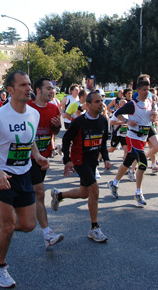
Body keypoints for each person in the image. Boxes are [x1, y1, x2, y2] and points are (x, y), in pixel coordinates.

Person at [0, 71, 49, 288]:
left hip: (24, 174)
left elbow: (29, 139)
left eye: (28, 85)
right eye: (22, 85)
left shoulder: (33, 114)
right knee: (9, 225)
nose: (28, 89)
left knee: (27, 225)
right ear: (10, 90)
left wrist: (37, 155)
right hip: (3, 176)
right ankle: (0, 268)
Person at [50, 90, 111, 241]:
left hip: (92, 161)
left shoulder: (103, 121)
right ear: (88, 105)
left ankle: (59, 195)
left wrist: (107, 159)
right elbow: (66, 140)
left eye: (101, 101)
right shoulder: (79, 122)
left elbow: (102, 143)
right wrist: (67, 160)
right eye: (97, 101)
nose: (101, 104)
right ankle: (94, 228)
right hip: (79, 160)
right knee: (94, 191)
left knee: (85, 193)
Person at [27, 77, 63, 247]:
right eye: (48, 88)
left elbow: (55, 130)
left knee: (30, 195)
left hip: (44, 156)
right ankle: (47, 233)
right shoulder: (27, 108)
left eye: (53, 88)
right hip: (27, 158)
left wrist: (55, 126)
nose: (52, 91)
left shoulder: (54, 108)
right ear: (38, 90)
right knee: (39, 192)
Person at [107, 80, 156, 207]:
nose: (146, 92)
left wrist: (154, 116)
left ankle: (114, 182)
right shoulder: (133, 104)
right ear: (138, 91)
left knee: (127, 162)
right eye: (144, 90)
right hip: (132, 137)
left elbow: (150, 116)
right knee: (143, 163)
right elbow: (117, 113)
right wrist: (127, 122)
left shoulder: (149, 102)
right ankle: (138, 193)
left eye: (148, 90)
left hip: (143, 138)